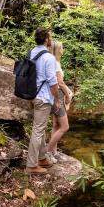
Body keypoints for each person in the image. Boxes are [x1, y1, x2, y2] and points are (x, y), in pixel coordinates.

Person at [26, 28, 61, 175]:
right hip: (43, 97)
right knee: (38, 131)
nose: (51, 39)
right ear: (46, 39)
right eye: (50, 37)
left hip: (32, 94)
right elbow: (53, 82)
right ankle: (31, 166)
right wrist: (57, 100)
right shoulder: (49, 58)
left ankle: (41, 158)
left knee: (39, 128)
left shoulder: (32, 52)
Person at [45, 40, 73, 162]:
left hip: (56, 95)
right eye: (61, 48)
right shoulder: (55, 63)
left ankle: (54, 152)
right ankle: (47, 152)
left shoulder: (56, 62)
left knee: (56, 125)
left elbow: (61, 82)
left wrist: (67, 90)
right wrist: (68, 94)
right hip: (57, 97)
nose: (63, 50)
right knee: (64, 126)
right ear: (57, 49)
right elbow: (59, 82)